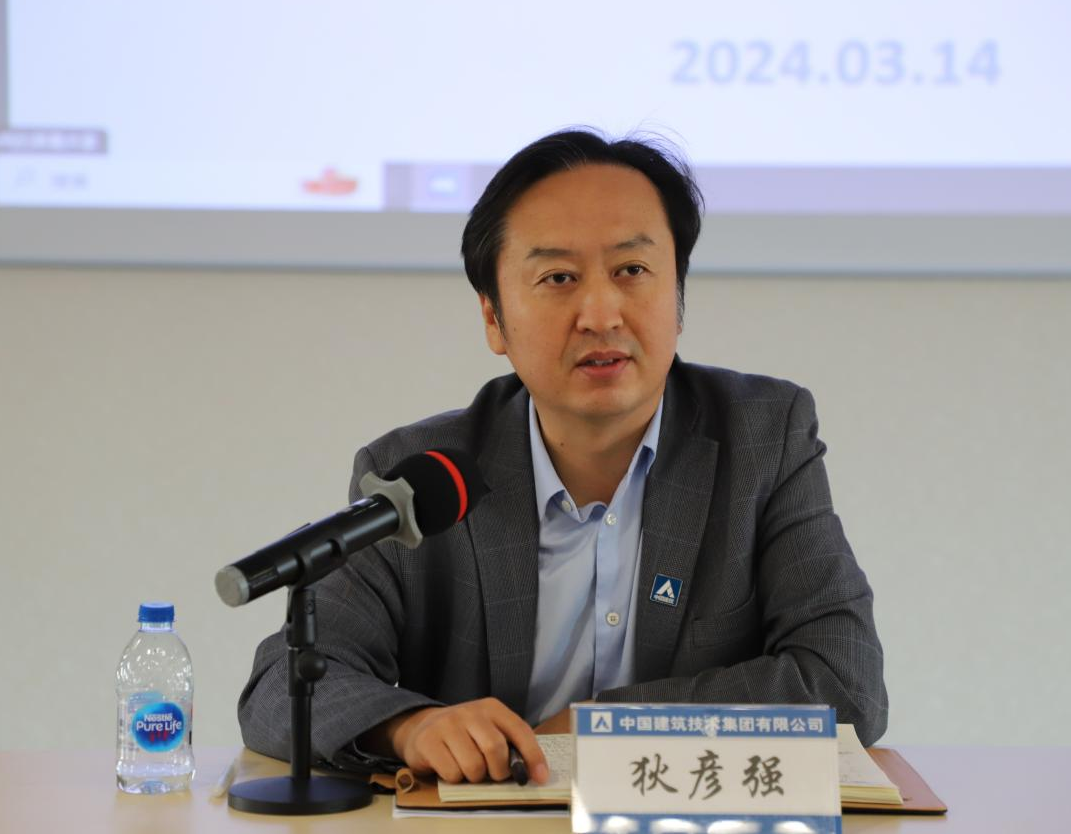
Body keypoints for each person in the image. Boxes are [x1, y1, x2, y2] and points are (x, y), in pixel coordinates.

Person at [238, 129, 887, 786]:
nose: (601, 314)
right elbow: (282, 688)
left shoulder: (763, 439)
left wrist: (601, 728)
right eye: (558, 278)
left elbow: (846, 679)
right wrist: (411, 727)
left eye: (632, 270)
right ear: (493, 318)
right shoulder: (420, 475)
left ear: (679, 297)